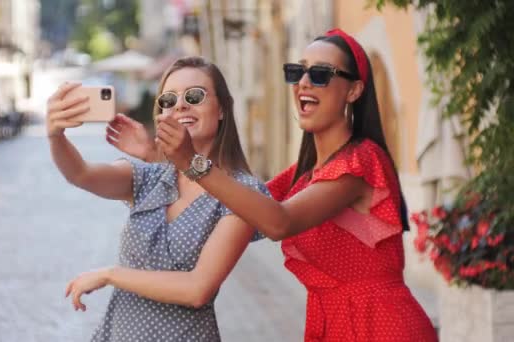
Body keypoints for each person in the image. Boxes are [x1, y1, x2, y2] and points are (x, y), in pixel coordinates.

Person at [116, 29, 438, 341]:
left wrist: (192, 163)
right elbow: (239, 202)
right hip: (332, 321)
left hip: (381, 325)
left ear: (353, 91)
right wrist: (157, 157)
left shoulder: (360, 162)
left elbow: (278, 221)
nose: (304, 83)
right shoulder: (306, 173)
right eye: (298, 72)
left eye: (322, 74)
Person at [47, 57, 269, 342]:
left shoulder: (241, 193)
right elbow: (80, 174)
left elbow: (196, 289)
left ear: (222, 108)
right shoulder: (151, 177)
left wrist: (111, 275)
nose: (180, 105)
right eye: (168, 99)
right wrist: (55, 135)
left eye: (194, 96)